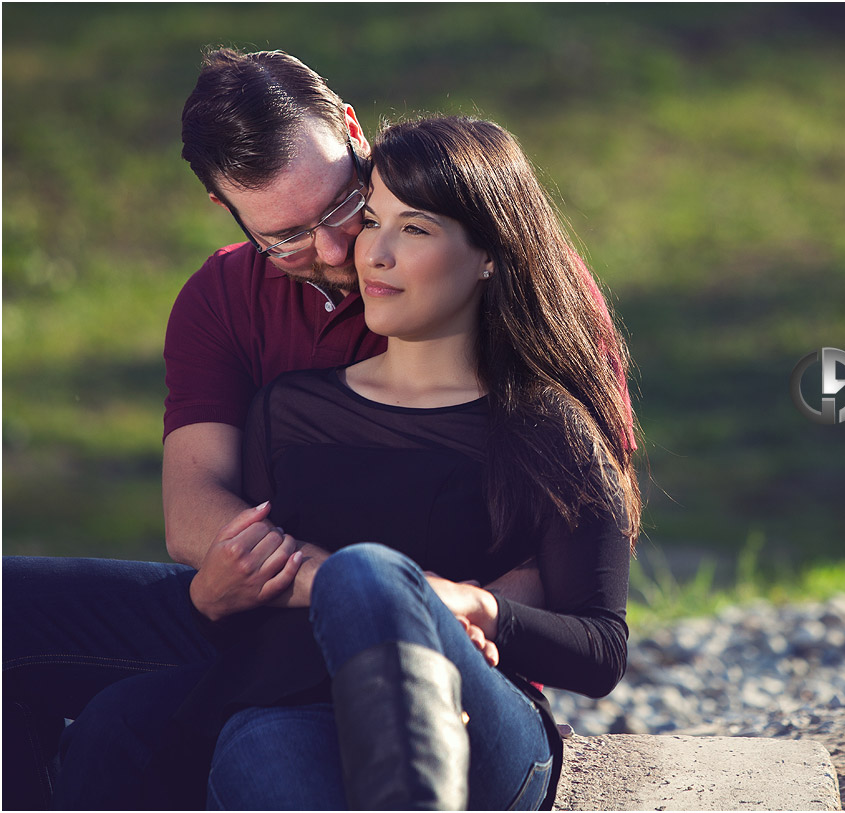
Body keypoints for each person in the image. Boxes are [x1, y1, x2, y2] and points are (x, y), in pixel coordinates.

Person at [2, 48, 626, 809]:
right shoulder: (227, 303)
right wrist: (344, 587)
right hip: (259, 614)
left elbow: (579, 539)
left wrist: (424, 607)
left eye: (342, 207)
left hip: (435, 654)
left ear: (355, 133)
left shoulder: (497, 283)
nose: (334, 252)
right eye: (287, 237)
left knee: (173, 722)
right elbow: (195, 508)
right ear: (225, 209)